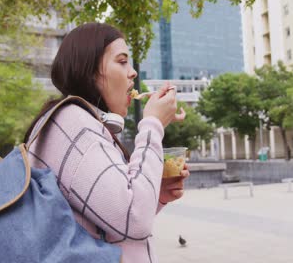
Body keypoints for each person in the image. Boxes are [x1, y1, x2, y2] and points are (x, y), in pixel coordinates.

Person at [24, 23, 189, 263]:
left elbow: (111, 220)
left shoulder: (78, 122)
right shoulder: (74, 123)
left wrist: (157, 193)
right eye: (122, 62)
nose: (132, 72)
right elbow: (134, 219)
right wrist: (153, 123)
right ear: (89, 70)